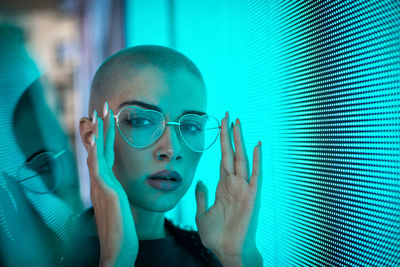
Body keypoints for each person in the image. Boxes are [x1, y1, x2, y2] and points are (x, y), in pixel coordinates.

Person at [78, 45, 263, 266]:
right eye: (141, 121)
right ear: (91, 136)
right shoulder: (42, 252)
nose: (172, 150)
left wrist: (236, 260)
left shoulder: (211, 256)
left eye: (191, 126)